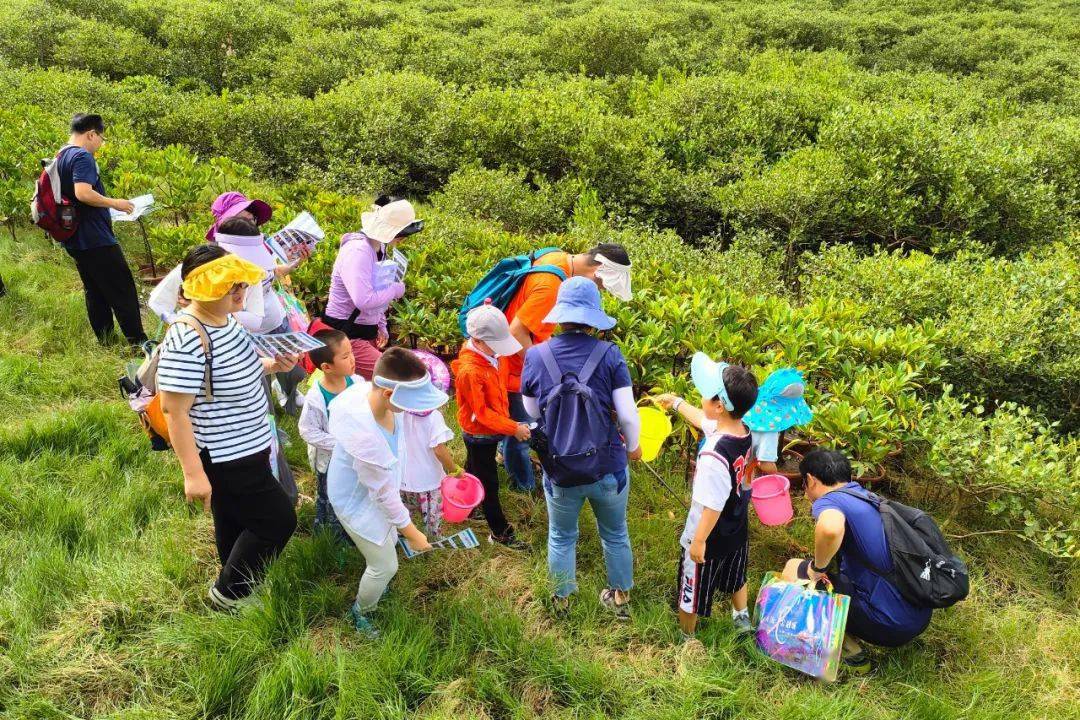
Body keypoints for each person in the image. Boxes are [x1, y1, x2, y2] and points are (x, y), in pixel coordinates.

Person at [157, 244, 299, 611]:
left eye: (241, 283)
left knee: (234, 516)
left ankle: (235, 575)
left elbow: (233, 371)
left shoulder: (225, 320)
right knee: (278, 521)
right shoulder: (187, 337)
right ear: (204, 290)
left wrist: (273, 366)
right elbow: (174, 411)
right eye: (230, 286)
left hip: (249, 443)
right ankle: (229, 594)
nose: (241, 292)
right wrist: (192, 474)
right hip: (226, 453)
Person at [520, 276, 642, 618]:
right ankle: (619, 601)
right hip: (608, 467)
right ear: (594, 318)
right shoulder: (610, 355)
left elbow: (530, 411)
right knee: (615, 534)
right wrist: (633, 448)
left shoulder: (536, 355)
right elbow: (629, 416)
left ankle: (562, 602)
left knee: (561, 536)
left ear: (560, 315)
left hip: (559, 469)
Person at [327, 348, 445, 637]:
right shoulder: (365, 435)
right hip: (356, 500)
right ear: (389, 395)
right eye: (412, 403)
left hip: (378, 491)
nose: (414, 410)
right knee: (384, 564)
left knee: (390, 538)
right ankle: (361, 612)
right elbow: (382, 496)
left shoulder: (381, 399)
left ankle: (376, 590)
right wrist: (415, 534)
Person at [781, 449, 932, 672]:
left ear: (810, 480)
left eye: (803, 484)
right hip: (919, 614)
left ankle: (850, 655)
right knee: (829, 577)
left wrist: (816, 568)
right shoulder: (867, 498)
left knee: (794, 569)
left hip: (890, 624)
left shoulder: (829, 501)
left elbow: (830, 529)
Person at [499, 243, 632, 492]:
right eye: (601, 285)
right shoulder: (551, 284)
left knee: (518, 426)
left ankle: (514, 466)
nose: (600, 290)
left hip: (522, 359)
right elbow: (516, 332)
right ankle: (524, 487)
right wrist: (546, 363)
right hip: (517, 365)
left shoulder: (557, 258)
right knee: (523, 430)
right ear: (598, 270)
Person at [652, 353, 760, 637]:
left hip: (708, 532)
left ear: (720, 405)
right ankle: (742, 618)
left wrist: (697, 541)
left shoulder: (713, 454)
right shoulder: (741, 430)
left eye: (705, 394)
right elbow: (703, 420)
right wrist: (675, 403)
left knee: (692, 587)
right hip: (736, 523)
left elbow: (710, 504)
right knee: (737, 574)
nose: (701, 397)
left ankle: (687, 638)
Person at [56, 113, 146, 346]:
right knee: (122, 289)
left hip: (74, 235)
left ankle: (106, 340)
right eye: (101, 138)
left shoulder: (61, 155)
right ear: (91, 134)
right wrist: (115, 203)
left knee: (94, 289)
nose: (100, 144)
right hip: (95, 238)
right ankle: (138, 343)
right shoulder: (82, 156)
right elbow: (83, 193)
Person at [451, 303, 530, 550]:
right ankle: (500, 532)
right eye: (496, 344)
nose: (500, 350)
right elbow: (481, 414)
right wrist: (513, 427)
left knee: (474, 467)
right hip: (479, 433)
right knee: (489, 482)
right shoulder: (470, 371)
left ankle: (467, 504)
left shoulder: (490, 354)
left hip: (490, 429)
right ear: (478, 340)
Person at [214, 215, 308, 415]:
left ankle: (283, 401)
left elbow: (255, 319)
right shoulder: (212, 274)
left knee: (287, 369)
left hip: (273, 322)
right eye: (244, 216)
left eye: (252, 217)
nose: (250, 220)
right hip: (239, 339)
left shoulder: (255, 267)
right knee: (255, 386)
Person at [322, 197, 423, 379]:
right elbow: (364, 300)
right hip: (346, 334)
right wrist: (395, 289)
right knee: (391, 378)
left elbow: (377, 286)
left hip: (364, 328)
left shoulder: (379, 247)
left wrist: (381, 324)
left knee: (359, 385)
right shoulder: (358, 251)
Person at [297, 328, 360, 544]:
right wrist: (340, 444)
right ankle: (334, 541)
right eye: (345, 356)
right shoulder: (316, 397)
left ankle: (355, 532)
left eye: (351, 352)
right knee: (333, 498)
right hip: (331, 462)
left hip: (355, 456)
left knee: (355, 495)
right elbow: (307, 430)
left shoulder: (357, 383)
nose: (352, 359)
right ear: (326, 367)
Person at [399, 354, 458, 539]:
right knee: (431, 515)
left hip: (403, 476)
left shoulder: (398, 411)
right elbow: (439, 449)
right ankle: (432, 539)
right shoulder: (434, 417)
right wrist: (454, 469)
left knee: (406, 512)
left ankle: (406, 537)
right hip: (429, 479)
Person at [743, 368, 812, 477]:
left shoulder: (748, 406)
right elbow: (765, 463)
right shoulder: (769, 431)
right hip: (741, 475)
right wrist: (775, 475)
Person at [205, 191, 273, 241]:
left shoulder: (263, 242)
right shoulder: (217, 255)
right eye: (242, 221)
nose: (249, 226)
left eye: (251, 220)